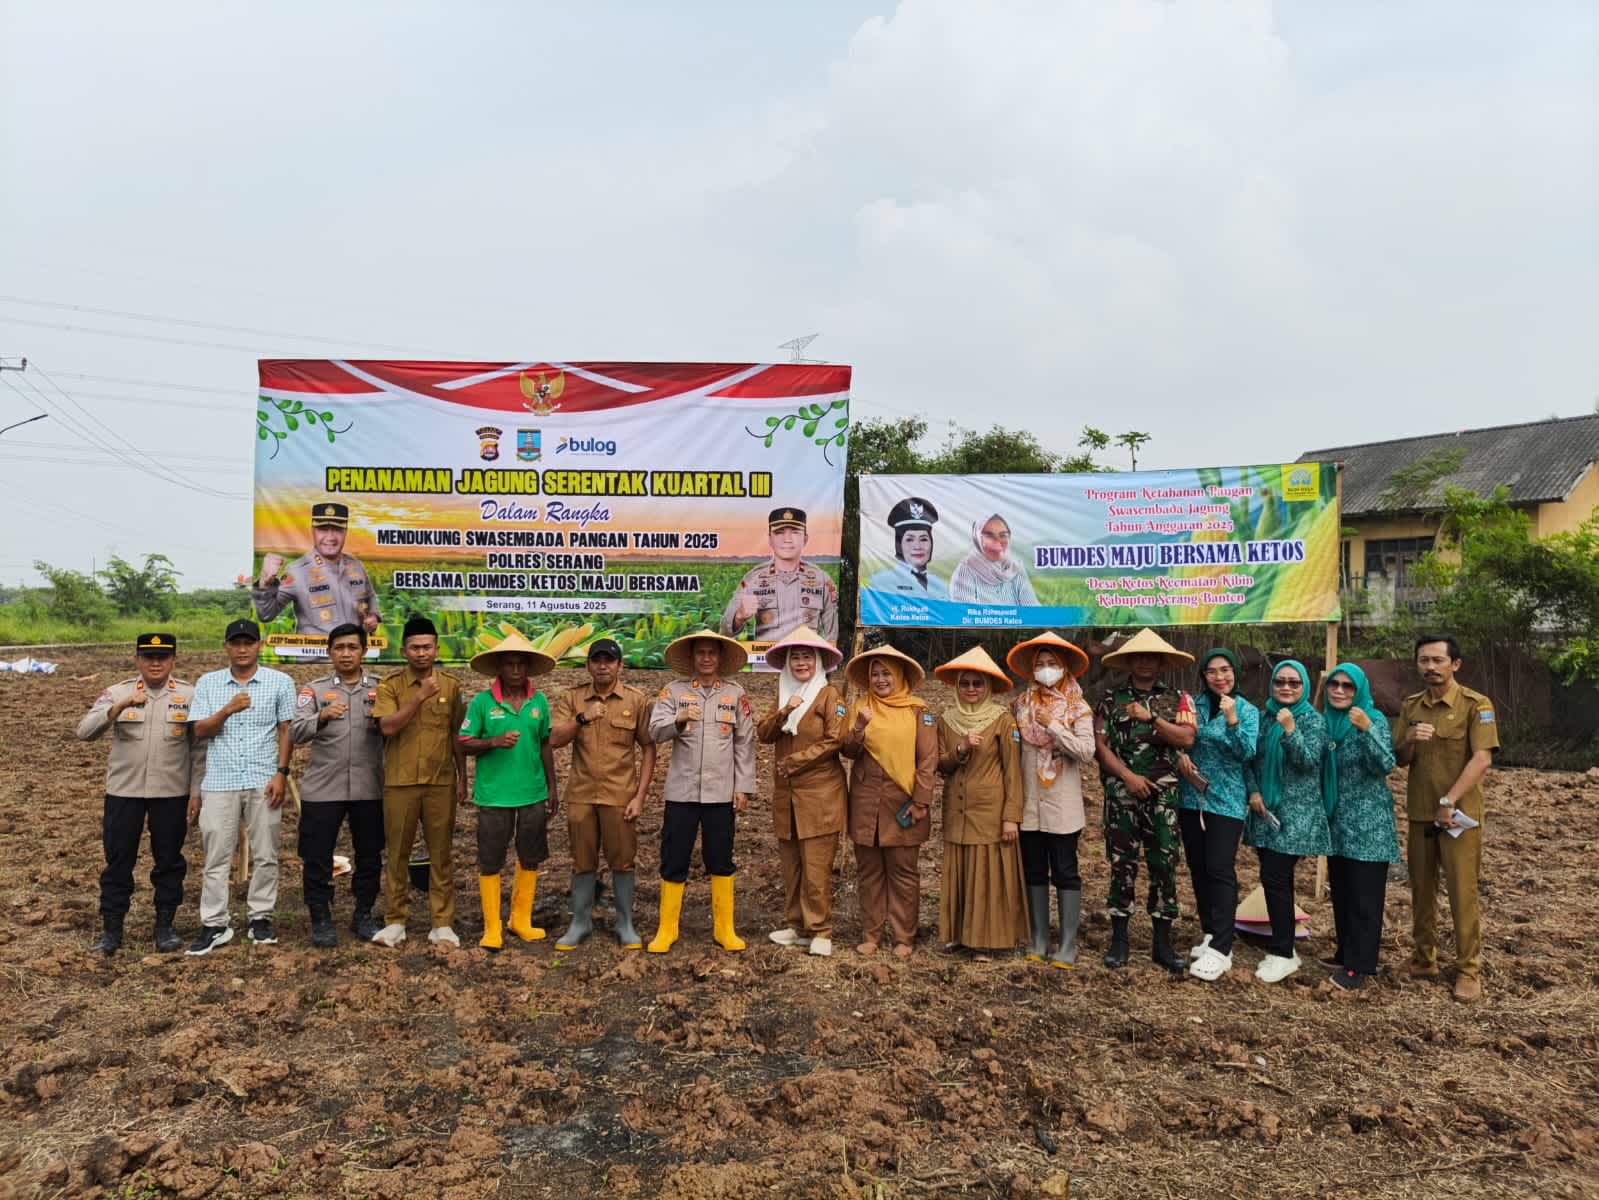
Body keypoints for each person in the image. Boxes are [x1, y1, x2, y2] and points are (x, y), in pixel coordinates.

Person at [76, 633, 205, 955]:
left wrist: (196, 792)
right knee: (118, 861)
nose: (156, 663)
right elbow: (85, 732)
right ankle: (112, 931)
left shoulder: (190, 695)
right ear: (137, 660)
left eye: (162, 657)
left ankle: (165, 927)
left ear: (174, 660)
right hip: (124, 793)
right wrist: (117, 708)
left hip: (171, 793)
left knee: (169, 862)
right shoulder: (117, 692)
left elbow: (200, 749)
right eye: (148, 657)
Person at [1393, 635, 1497, 1003]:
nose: (1431, 667)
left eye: (1438, 660)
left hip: (1458, 817)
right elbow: (1400, 758)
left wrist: (1449, 801)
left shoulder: (1475, 705)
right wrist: (1410, 740)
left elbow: (1482, 759)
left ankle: (1469, 970)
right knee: (1421, 890)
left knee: (1461, 892)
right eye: (1424, 661)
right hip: (1421, 813)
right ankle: (1424, 959)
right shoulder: (1411, 707)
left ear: (1456, 664)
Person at [186, 620, 297, 955]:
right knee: (217, 854)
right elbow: (200, 731)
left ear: (259, 645)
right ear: (226, 647)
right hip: (220, 781)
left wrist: (281, 773)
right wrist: (228, 709)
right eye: (236, 643)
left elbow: (286, 731)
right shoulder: (208, 683)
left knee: (266, 853)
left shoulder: (280, 682)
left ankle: (260, 918)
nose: (243, 648)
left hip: (264, 780)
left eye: (249, 642)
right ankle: (215, 923)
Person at [646, 630, 757, 954]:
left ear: (720, 658)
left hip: (720, 793)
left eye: (712, 653)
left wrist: (743, 787)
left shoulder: (735, 694)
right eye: (701, 653)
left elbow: (744, 744)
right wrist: (678, 719)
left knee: (720, 859)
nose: (706, 658)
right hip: (681, 792)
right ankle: (667, 930)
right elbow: (654, 730)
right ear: (693, 658)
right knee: (674, 858)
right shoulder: (674, 691)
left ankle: (725, 929)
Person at [1094, 628, 1196, 972]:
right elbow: (1100, 747)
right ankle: (1119, 940)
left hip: (1163, 798)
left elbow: (1186, 739)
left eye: (1151, 657)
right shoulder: (1110, 699)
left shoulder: (1179, 698)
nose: (1145, 663)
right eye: (1138, 656)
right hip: (1123, 794)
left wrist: (1152, 718)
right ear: (1129, 661)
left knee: (1163, 866)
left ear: (1161, 662)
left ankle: (1162, 943)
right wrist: (1128, 777)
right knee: (1122, 865)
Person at [548, 637, 656, 950]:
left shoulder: (635, 700)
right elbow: (554, 738)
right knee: (582, 860)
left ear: (620, 666)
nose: (603, 666)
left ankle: (625, 923)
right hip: (581, 793)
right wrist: (583, 718)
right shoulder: (574, 698)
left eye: (609, 660)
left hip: (619, 795)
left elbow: (649, 748)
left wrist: (640, 796)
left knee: (622, 860)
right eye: (597, 660)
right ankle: (580, 922)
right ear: (588, 665)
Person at [457, 631, 558, 952]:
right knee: (490, 860)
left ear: (527, 668)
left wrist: (552, 787)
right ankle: (492, 927)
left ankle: (521, 919)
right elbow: (464, 742)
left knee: (530, 857)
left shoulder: (539, 702)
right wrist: (493, 742)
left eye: (520, 664)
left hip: (532, 793)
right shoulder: (482, 703)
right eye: (509, 664)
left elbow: (544, 744)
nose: (515, 670)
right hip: (493, 795)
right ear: (499, 668)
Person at [370, 616, 468, 948]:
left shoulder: (452, 686)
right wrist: (419, 697)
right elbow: (387, 727)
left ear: (437, 649)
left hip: (440, 782)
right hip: (399, 782)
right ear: (404, 650)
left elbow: (456, 734)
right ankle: (395, 920)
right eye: (415, 647)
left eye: (427, 647)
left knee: (441, 853)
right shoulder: (391, 685)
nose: (421, 653)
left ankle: (442, 922)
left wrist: (462, 778)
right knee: (397, 853)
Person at [290, 623, 385, 948]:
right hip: (323, 789)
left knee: (370, 855)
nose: (346, 654)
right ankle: (321, 917)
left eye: (352, 647)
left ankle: (363, 914)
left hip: (369, 788)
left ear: (364, 651)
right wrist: (323, 716)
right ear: (330, 652)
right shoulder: (314, 690)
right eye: (339, 648)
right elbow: (296, 730)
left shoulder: (381, 688)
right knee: (317, 856)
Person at [841, 644, 937, 958]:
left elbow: (928, 760)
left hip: (903, 802)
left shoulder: (918, 711)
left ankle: (903, 937)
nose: (881, 680)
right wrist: (859, 727)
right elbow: (849, 752)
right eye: (875, 674)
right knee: (869, 871)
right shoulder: (860, 707)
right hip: (866, 802)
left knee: (903, 872)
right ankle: (871, 934)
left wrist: (921, 801)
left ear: (898, 676)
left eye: (886, 674)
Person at [758, 626, 848, 957]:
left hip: (820, 793)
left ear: (819, 660)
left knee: (817, 865)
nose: (800, 662)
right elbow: (764, 734)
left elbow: (835, 739)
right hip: (787, 795)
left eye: (807, 656)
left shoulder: (829, 696)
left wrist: (796, 761)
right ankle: (796, 926)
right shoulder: (782, 695)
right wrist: (785, 711)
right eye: (795, 657)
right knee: (791, 863)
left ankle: (821, 929)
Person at [1007, 631, 1094, 969]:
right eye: (1040, 664)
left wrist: (1055, 727)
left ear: (1064, 669)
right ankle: (1039, 938)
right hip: (1029, 804)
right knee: (1034, 872)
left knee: (1065, 871)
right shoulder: (1021, 704)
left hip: (1062, 806)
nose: (1045, 670)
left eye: (1052, 664)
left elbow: (1086, 752)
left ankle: (1068, 944)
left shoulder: (1077, 707)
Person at [934, 646, 1027, 956]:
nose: (971, 689)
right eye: (965, 683)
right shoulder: (947, 720)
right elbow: (941, 767)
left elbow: (1013, 771)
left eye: (977, 684)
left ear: (987, 687)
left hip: (990, 812)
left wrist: (1011, 816)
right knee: (961, 872)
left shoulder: (1002, 719)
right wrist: (959, 748)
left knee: (986, 875)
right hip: (957, 811)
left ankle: (986, 942)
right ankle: (959, 936)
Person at [1175, 648, 1260, 983]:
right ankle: (1210, 932)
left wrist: (1233, 720)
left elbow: (1248, 753)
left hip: (1226, 802)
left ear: (1235, 672)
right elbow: (1182, 738)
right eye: (1212, 672)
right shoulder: (1193, 705)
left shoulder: (1247, 710)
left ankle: (1223, 949)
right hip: (1191, 798)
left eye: (1225, 670)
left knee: (1220, 868)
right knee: (1198, 867)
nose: (1219, 677)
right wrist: (1180, 755)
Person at [1243, 659, 1330, 983]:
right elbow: (1249, 759)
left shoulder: (1313, 720)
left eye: (1294, 682)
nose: (1286, 687)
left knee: (1274, 876)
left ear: (1304, 686)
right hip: (1265, 812)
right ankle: (1284, 942)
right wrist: (1252, 792)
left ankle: (1283, 952)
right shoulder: (1264, 718)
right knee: (1275, 879)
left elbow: (1309, 763)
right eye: (1280, 681)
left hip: (1298, 814)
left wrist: (1291, 730)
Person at [1320, 662, 1398, 991]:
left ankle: (1359, 966)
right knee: (1342, 891)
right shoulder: (1326, 723)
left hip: (1368, 825)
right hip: (1337, 822)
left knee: (1364, 896)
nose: (1339, 691)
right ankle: (1345, 951)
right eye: (1334, 685)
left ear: (1360, 691)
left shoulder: (1373, 719)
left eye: (1347, 687)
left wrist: (1367, 729)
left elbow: (1386, 764)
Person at [252, 502, 382, 637]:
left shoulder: (356, 566)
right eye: (323, 529)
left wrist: (373, 615)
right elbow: (266, 615)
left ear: (345, 531)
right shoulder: (297, 571)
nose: (330, 537)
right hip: (314, 656)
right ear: (313, 531)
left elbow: (370, 596)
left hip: (353, 653)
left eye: (337, 529)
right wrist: (264, 584)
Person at [720, 508, 839, 644]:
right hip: (766, 663)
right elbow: (724, 631)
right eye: (779, 532)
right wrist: (739, 616)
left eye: (795, 532)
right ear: (770, 539)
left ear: (805, 539)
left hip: (804, 662)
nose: (787, 539)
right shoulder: (752, 579)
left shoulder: (822, 580)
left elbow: (833, 637)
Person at [867, 496, 949, 599]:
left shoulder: (940, 586)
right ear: (899, 545)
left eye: (923, 539)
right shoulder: (880, 582)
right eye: (909, 539)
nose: (918, 546)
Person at [949, 515, 1039, 606]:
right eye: (989, 536)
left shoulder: (1015, 568)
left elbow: (1032, 608)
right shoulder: (967, 569)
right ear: (977, 539)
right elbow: (964, 614)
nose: (997, 541)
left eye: (1003, 535)